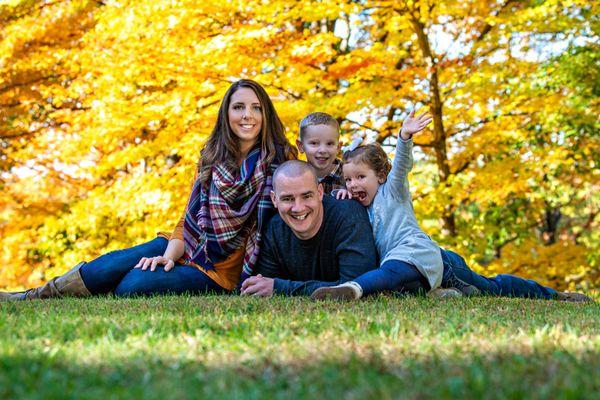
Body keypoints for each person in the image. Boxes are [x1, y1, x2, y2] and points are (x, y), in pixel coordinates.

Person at [1, 79, 297, 300]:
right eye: (239, 107)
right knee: (105, 267)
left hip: (221, 270)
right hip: (187, 245)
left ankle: (95, 290)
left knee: (132, 285)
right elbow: (186, 220)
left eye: (256, 108)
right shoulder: (212, 157)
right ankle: (31, 296)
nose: (248, 115)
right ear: (226, 114)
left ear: (265, 114)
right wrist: (169, 256)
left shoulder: (280, 159)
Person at [311, 110, 592, 302]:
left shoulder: (392, 190)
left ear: (380, 176)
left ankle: (554, 296)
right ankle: (443, 293)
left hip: (418, 254)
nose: (353, 185)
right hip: (415, 264)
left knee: (492, 287)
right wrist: (343, 196)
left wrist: (405, 138)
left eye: (361, 177)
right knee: (407, 286)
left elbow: (401, 167)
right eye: (348, 180)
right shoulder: (360, 205)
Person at [239, 160, 378, 297]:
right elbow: (265, 285)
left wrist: (281, 288)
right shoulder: (274, 230)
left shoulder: (348, 216)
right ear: (274, 200)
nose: (298, 208)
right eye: (288, 199)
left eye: (306, 196)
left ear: (320, 192)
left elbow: (355, 286)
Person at [296, 112, 345, 194]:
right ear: (301, 146)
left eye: (329, 144)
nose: (322, 150)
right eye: (314, 143)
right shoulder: (296, 177)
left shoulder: (349, 175)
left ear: (338, 147)